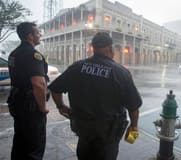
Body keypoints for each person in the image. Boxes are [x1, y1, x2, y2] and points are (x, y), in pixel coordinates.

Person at [48, 32, 142, 160]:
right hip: (107, 135)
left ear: (93, 47)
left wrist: (61, 106)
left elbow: (55, 89)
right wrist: (134, 126)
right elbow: (133, 106)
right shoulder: (121, 73)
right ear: (110, 48)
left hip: (83, 130)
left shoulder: (77, 67)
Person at [7, 22, 49, 160]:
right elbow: (39, 84)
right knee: (34, 146)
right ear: (30, 36)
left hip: (16, 102)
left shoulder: (14, 53)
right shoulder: (33, 55)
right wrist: (42, 108)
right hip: (30, 107)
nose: (40, 35)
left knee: (20, 141)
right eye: (37, 33)